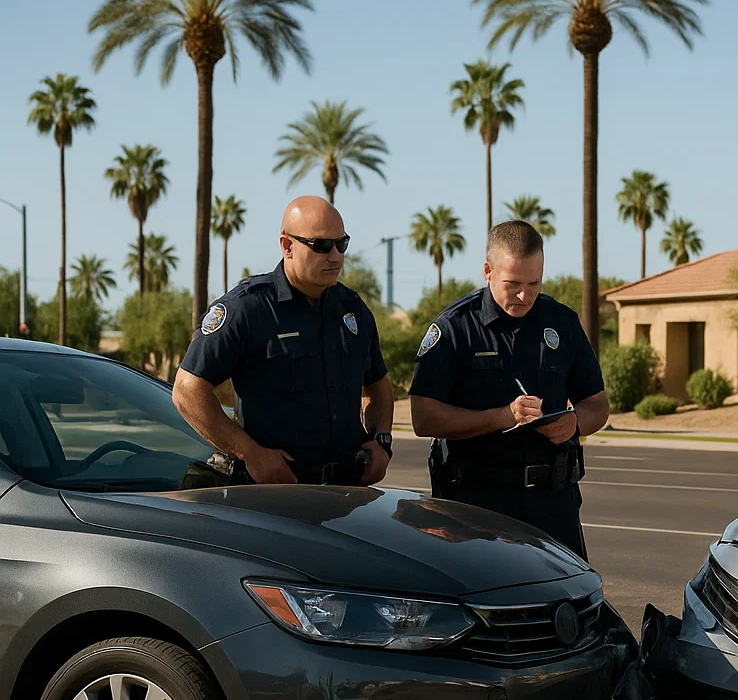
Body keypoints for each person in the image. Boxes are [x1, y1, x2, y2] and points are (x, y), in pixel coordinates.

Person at [408, 219, 608, 558]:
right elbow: (423, 418)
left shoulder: (562, 322)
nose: (524, 295)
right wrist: (502, 417)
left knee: (568, 589)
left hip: (553, 504)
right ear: (488, 271)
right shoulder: (456, 328)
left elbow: (597, 405)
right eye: (513, 284)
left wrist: (575, 423)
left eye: (534, 282)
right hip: (476, 506)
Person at [173, 196, 393, 486]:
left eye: (342, 244)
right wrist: (250, 453)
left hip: (346, 490)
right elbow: (187, 391)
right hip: (274, 493)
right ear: (287, 245)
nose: (336, 256)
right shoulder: (247, 309)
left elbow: (378, 386)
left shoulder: (352, 309)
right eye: (322, 246)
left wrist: (381, 441)